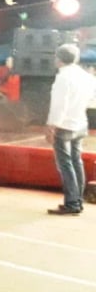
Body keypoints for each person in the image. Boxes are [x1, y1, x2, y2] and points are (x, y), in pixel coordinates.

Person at [45, 44, 96, 216]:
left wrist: (52, 125)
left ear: (58, 58)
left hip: (65, 125)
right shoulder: (87, 76)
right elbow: (92, 101)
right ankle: (77, 200)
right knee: (76, 162)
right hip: (81, 122)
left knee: (65, 165)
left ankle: (72, 203)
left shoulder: (63, 78)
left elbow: (59, 105)